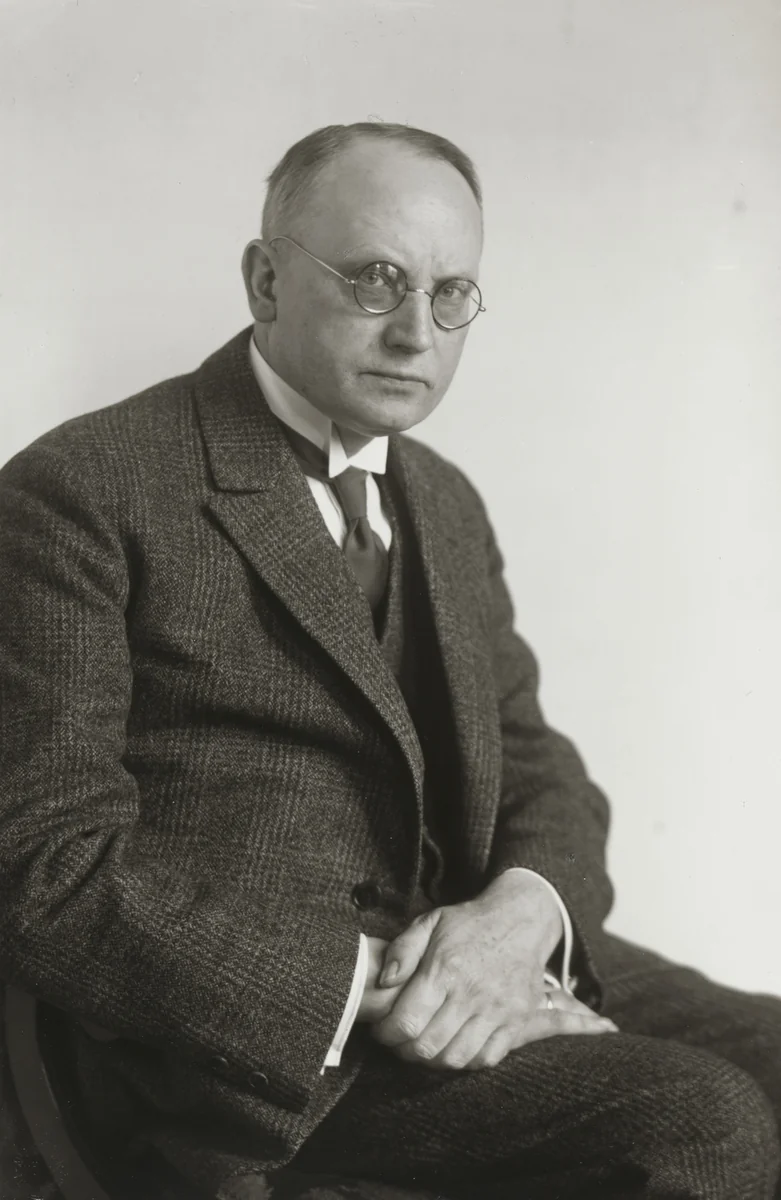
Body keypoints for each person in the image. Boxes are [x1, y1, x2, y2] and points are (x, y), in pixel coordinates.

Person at [0, 122, 779, 1200]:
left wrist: (517, 926)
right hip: (248, 1047)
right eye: (377, 280)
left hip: (457, 951)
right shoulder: (82, 491)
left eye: (451, 292)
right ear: (264, 280)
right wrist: (381, 986)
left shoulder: (443, 503)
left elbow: (536, 765)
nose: (417, 331)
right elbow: (44, 868)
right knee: (696, 1121)